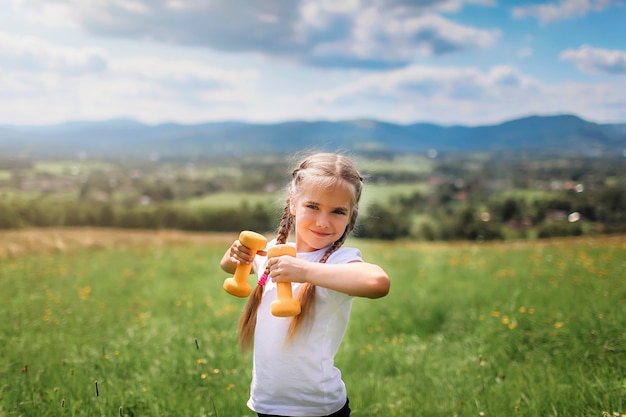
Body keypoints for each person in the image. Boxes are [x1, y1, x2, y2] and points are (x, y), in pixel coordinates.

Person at [220, 152, 390, 417]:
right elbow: (229, 266)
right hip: (266, 404)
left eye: (337, 212)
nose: (323, 222)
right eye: (313, 206)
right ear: (293, 203)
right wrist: (236, 254)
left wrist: (305, 270)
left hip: (318, 409)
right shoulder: (274, 252)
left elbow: (378, 283)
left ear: (350, 216)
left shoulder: (339, 260)